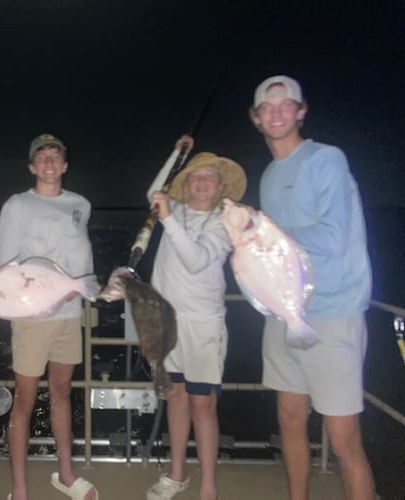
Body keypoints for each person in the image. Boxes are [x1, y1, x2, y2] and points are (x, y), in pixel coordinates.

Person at [249, 75, 376, 500]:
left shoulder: (326, 159)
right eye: (268, 107)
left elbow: (333, 237)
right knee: (288, 418)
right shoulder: (268, 175)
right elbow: (277, 258)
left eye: (287, 105)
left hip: (333, 312)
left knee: (343, 441)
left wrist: (266, 233)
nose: (278, 112)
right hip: (285, 312)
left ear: (301, 111)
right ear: (256, 118)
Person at [145, 136, 247, 500]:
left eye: (209, 177)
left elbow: (197, 259)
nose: (201, 182)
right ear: (185, 184)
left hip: (203, 324)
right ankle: (176, 475)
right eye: (194, 176)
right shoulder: (175, 207)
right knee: (175, 397)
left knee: (203, 403)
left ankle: (208, 485)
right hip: (166, 322)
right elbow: (154, 192)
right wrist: (177, 154)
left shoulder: (225, 222)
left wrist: (169, 219)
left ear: (221, 186)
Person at [0, 134, 98, 500]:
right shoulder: (17, 205)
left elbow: (83, 265)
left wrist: (87, 288)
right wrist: (40, 297)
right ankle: (20, 488)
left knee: (61, 393)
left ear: (65, 165)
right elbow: (7, 267)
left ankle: (66, 475)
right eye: (42, 156)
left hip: (71, 315)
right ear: (31, 166)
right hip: (31, 318)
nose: (50, 161)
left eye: (56, 156)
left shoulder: (80, 205)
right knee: (24, 400)